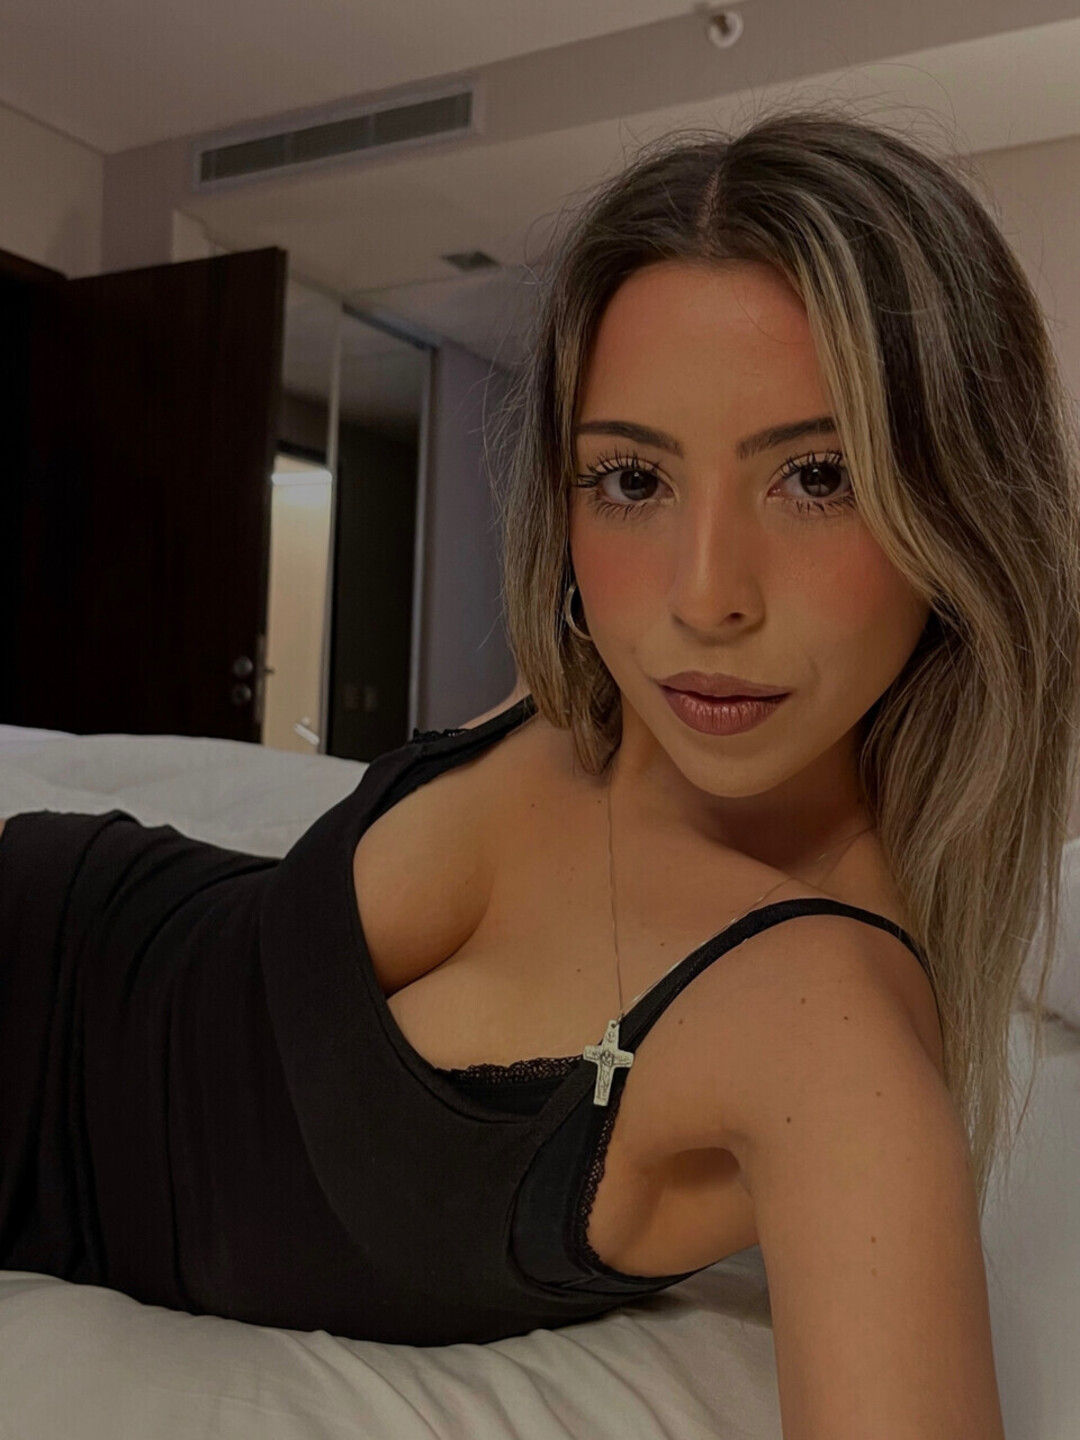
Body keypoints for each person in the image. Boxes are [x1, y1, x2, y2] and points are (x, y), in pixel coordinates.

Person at [2, 106, 1078, 1431]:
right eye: (632, 479)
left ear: (966, 503)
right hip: (56, 909)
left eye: (817, 475)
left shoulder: (834, 1042)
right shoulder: (596, 686)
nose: (703, 596)